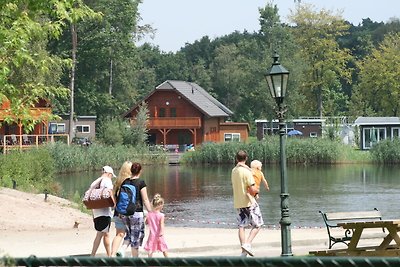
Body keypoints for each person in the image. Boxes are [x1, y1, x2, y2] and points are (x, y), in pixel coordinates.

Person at [231, 150, 264, 257]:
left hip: (238, 202)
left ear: (236, 159)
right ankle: (248, 244)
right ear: (246, 159)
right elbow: (252, 188)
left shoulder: (234, 171)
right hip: (249, 202)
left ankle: (243, 252)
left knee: (241, 226)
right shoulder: (247, 172)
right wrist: (257, 190)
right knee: (258, 224)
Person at [116, 162, 152, 257]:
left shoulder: (125, 182)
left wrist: (119, 211)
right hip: (136, 213)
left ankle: (122, 250)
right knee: (136, 237)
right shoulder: (141, 182)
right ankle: (135, 260)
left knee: (128, 234)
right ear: (140, 171)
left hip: (125, 212)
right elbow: (145, 199)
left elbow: (120, 197)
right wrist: (151, 212)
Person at [90, 165, 116, 257]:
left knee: (103, 233)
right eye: (111, 175)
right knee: (103, 234)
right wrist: (115, 204)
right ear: (109, 174)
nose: (112, 177)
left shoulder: (96, 182)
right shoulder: (107, 181)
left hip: (96, 211)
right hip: (104, 211)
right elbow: (110, 192)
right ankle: (97, 255)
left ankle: (105, 255)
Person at [111, 161, 132, 257]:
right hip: (127, 212)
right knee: (131, 234)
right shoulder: (131, 182)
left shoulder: (117, 182)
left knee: (119, 234)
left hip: (117, 212)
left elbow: (113, 197)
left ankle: (112, 254)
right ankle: (123, 251)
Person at [144, 193, 169, 257]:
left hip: (152, 234)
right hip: (159, 234)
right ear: (160, 205)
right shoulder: (161, 215)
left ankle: (149, 260)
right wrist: (162, 232)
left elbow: (146, 222)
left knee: (151, 248)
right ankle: (168, 260)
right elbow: (161, 225)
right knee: (163, 248)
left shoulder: (149, 214)